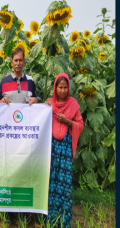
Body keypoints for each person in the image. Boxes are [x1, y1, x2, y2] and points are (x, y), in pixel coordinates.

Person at [45, 73, 84, 227]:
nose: (62, 90)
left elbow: (80, 125)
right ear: (55, 88)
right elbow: (39, 118)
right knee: (51, 181)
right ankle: (50, 218)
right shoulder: (49, 104)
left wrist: (69, 122)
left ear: (69, 88)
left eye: (65, 87)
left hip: (65, 150)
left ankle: (63, 220)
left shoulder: (73, 104)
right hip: (52, 148)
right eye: (60, 87)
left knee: (65, 182)